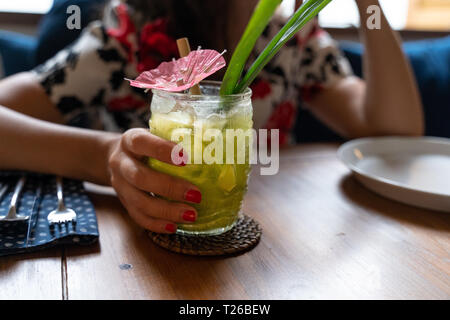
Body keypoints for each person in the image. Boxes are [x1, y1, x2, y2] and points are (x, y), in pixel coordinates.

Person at [0, 0, 423, 233]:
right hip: (143, 240)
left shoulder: (292, 39)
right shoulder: (130, 36)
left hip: (269, 248)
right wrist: (106, 157)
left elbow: (395, 130)